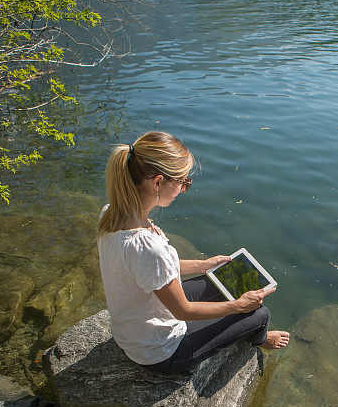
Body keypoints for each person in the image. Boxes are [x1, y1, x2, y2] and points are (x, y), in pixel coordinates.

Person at [96, 131, 290, 375]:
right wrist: (238, 306)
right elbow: (183, 311)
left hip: (134, 330)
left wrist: (203, 265)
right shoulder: (148, 248)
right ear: (157, 182)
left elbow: (151, 270)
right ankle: (260, 339)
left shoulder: (111, 214)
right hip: (161, 352)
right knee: (259, 313)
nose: (183, 189)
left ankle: (235, 306)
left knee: (218, 282)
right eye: (182, 182)